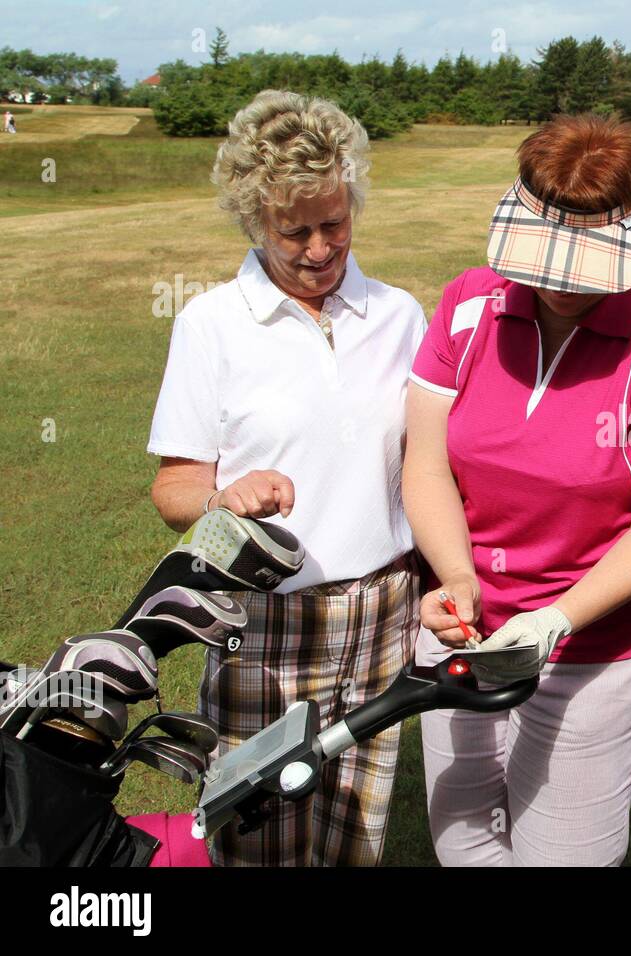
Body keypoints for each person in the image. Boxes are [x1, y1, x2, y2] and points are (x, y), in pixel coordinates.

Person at [405, 114, 631, 866]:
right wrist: (457, 578)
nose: (557, 284)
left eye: (583, 268)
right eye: (542, 262)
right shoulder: (466, 306)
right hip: (465, 630)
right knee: (462, 840)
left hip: (596, 652)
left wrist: (556, 619)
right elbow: (426, 464)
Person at [147, 90, 427, 866]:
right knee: (254, 832)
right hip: (262, 626)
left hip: (383, 613)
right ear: (252, 220)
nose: (317, 247)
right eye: (292, 230)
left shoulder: (400, 315)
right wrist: (219, 501)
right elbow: (174, 488)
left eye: (333, 223)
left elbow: (431, 466)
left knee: (356, 836)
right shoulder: (211, 325)